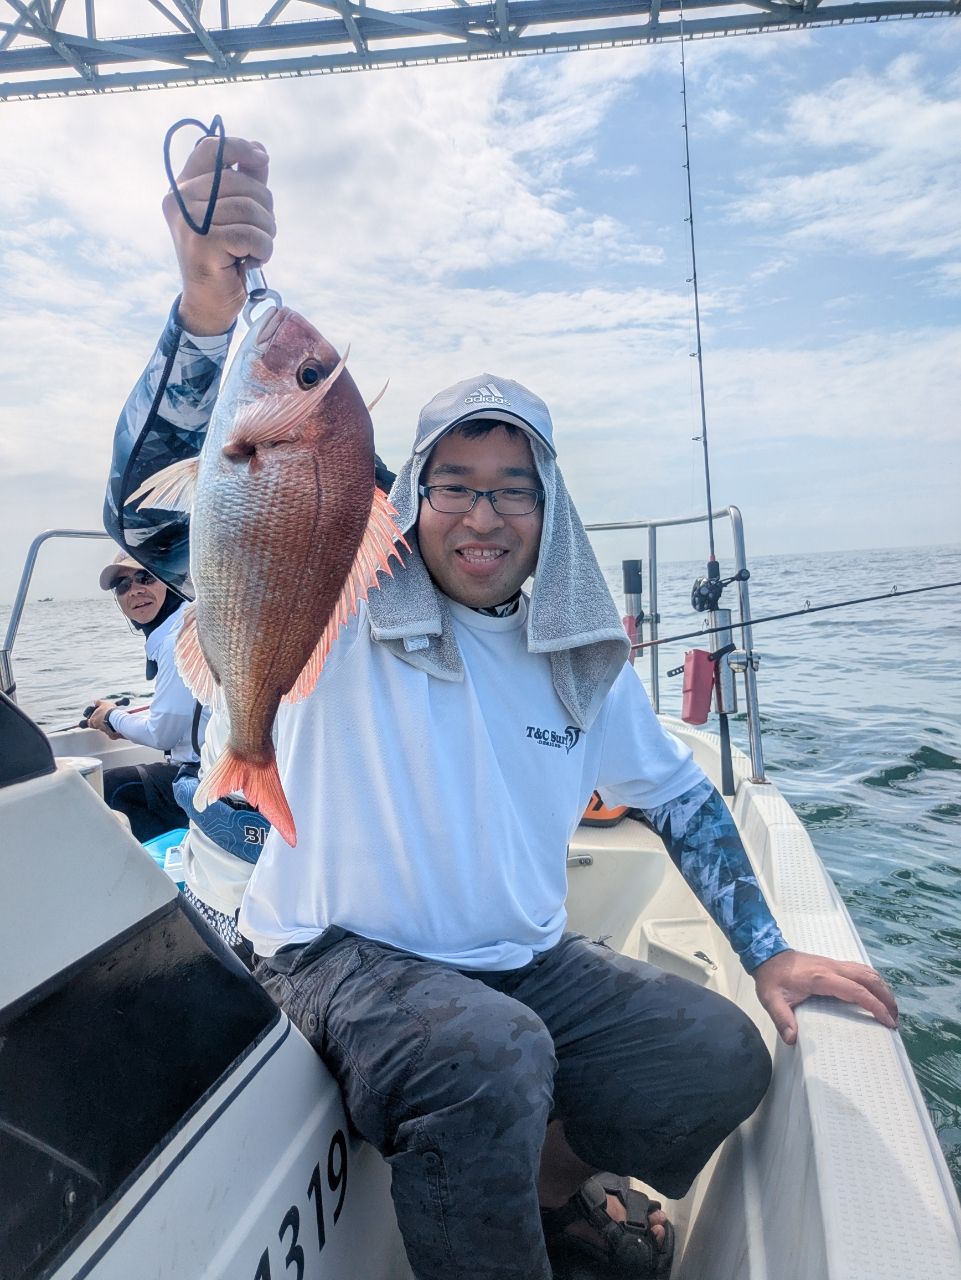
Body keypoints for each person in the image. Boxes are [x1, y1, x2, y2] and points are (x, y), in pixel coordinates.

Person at [104, 135, 899, 1280]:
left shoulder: (576, 648)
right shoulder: (343, 577)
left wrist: (768, 953)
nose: (482, 517)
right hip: (333, 950)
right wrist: (200, 307)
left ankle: (548, 1189)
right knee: (491, 1053)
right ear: (410, 492)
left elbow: (676, 794)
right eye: (456, 486)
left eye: (513, 489)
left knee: (716, 1055)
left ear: (549, 503)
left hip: (519, 962)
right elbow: (153, 520)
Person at [91, 552, 204, 841]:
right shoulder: (191, 622)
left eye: (145, 577)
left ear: (170, 580)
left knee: (111, 788)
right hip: (210, 767)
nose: (135, 590)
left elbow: (161, 736)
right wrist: (121, 722)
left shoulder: (175, 641)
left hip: (206, 777)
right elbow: (180, 712)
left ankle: (166, 877)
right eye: (123, 586)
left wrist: (112, 717)